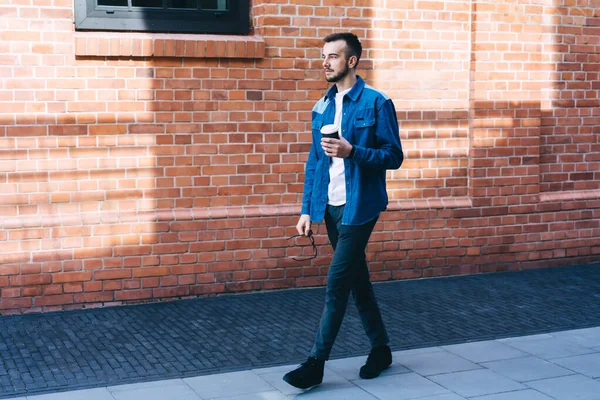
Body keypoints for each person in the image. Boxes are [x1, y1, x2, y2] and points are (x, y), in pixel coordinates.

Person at [283, 32, 404, 389]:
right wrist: (308, 209)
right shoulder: (319, 107)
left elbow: (394, 156)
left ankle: (315, 364)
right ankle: (381, 349)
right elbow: (315, 163)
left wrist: (354, 152)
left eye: (333, 56)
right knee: (357, 281)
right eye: (324, 56)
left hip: (360, 206)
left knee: (337, 284)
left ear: (351, 61)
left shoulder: (377, 103)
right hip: (330, 208)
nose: (325, 62)